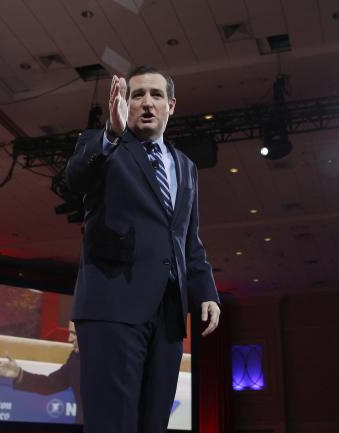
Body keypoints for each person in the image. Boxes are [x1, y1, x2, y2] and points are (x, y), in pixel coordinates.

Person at [65, 65, 221, 433]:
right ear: (123, 102)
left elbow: (186, 237)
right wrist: (110, 134)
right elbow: (74, 180)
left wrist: (205, 291)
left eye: (156, 95)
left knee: (154, 424)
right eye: (137, 95)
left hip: (167, 312)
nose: (146, 103)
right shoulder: (104, 145)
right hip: (112, 305)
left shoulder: (185, 166)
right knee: (112, 424)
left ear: (171, 105)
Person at [0, 321, 82, 422]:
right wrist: (19, 374)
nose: (69, 339)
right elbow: (49, 384)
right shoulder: (75, 358)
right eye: (70, 333)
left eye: (74, 333)